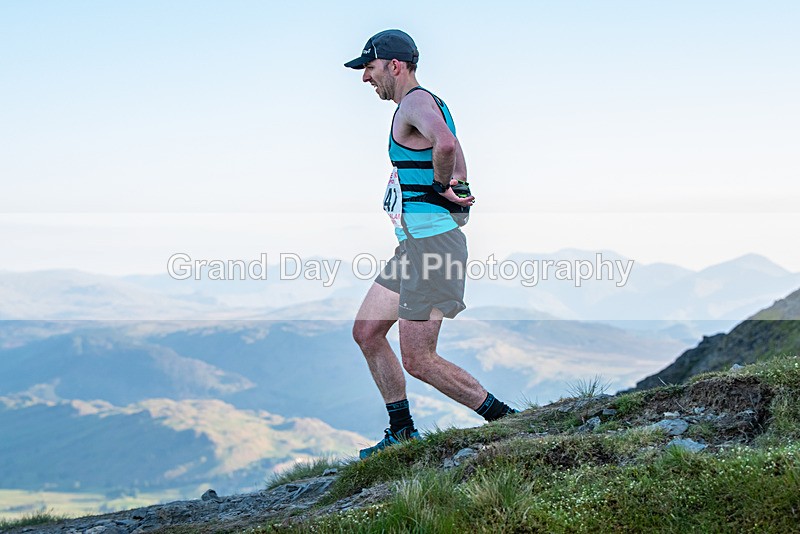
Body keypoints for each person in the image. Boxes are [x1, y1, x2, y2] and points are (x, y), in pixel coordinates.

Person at [345, 29, 517, 459]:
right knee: (367, 333)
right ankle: (401, 431)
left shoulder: (416, 102)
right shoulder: (430, 105)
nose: (366, 78)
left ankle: (509, 422)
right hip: (415, 250)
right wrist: (454, 190)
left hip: (432, 250)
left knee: (419, 359)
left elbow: (445, 145)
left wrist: (440, 188)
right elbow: (457, 156)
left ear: (394, 65)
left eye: (369, 67)